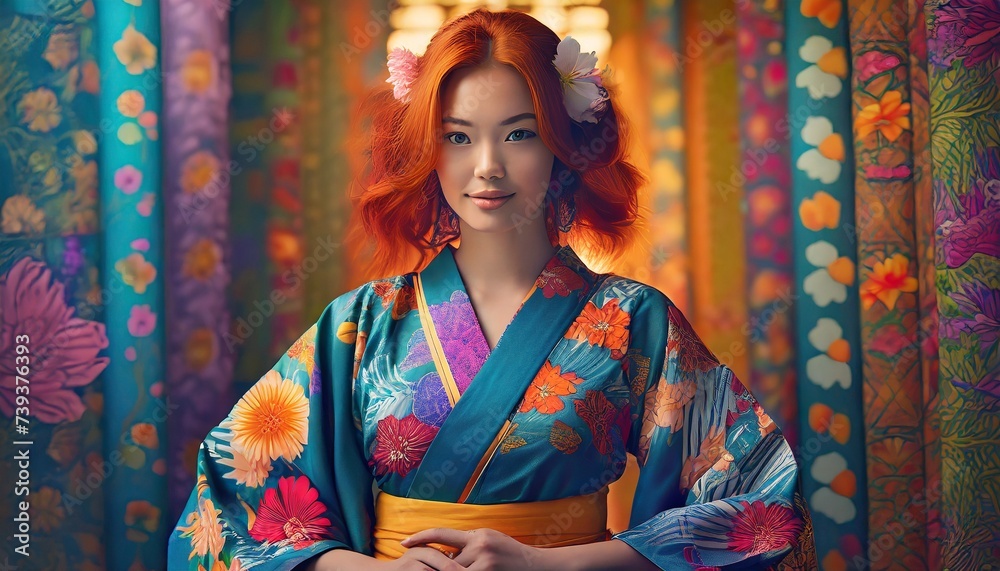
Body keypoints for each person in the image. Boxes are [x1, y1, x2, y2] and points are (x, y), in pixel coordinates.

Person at [168, 8, 815, 571]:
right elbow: (228, 501)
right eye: (457, 136)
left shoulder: (631, 318)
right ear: (427, 147)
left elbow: (762, 500)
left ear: (565, 144)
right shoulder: (360, 324)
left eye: (519, 132)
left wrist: (551, 561)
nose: (487, 166)